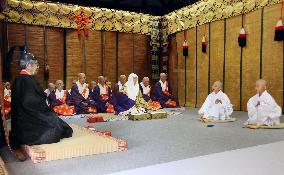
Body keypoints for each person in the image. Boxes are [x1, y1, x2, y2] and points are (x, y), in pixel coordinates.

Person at [10, 52, 73, 161]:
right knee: (57, 125)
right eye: (36, 65)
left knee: (58, 122)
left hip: (20, 122)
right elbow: (34, 103)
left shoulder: (18, 79)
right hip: (30, 120)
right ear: (29, 65)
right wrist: (48, 111)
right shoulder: (29, 80)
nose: (37, 67)